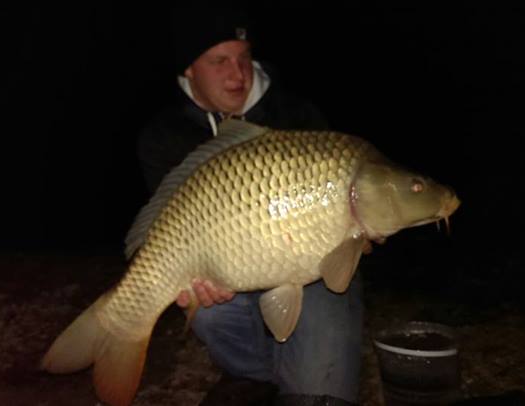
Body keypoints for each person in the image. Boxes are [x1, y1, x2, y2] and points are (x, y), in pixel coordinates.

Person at [136, 9, 363, 406]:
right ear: (189, 68)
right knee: (209, 310)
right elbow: (168, 229)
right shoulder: (163, 135)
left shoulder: (296, 114)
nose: (237, 74)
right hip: (231, 272)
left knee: (319, 391)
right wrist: (194, 275)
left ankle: (291, 375)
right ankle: (253, 376)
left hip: (311, 270)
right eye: (219, 61)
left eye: (244, 57)